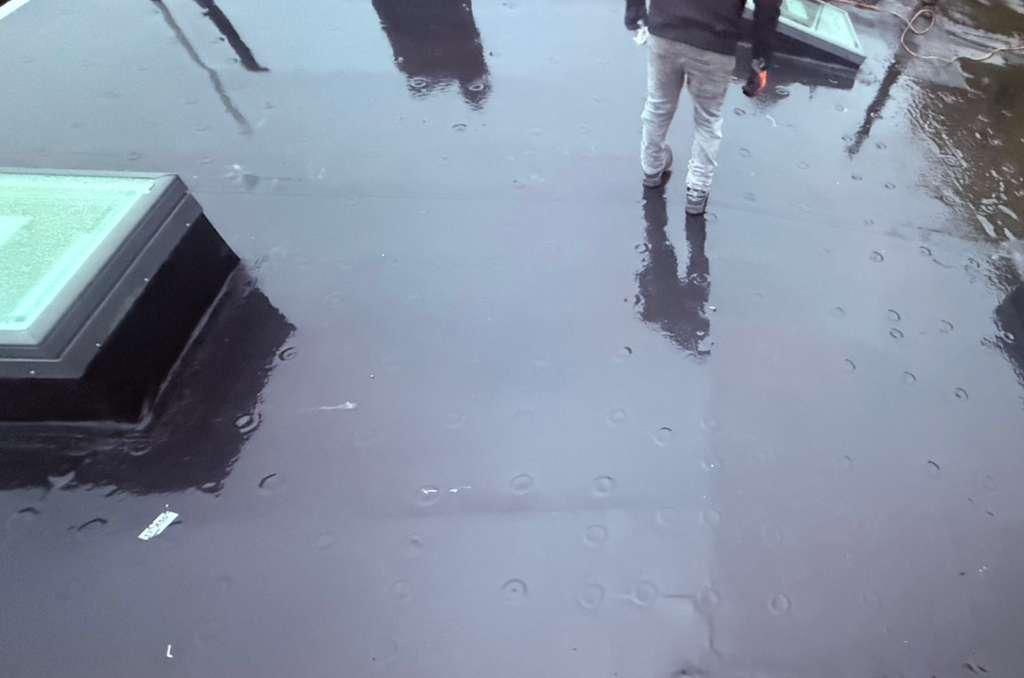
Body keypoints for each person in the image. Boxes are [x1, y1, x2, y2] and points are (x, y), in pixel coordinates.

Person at [625, 0, 782, 215]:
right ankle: (697, 191)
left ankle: (652, 167)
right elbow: (767, 6)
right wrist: (760, 60)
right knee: (708, 120)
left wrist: (635, 10)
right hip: (715, 42)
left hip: (666, 27)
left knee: (658, 105)